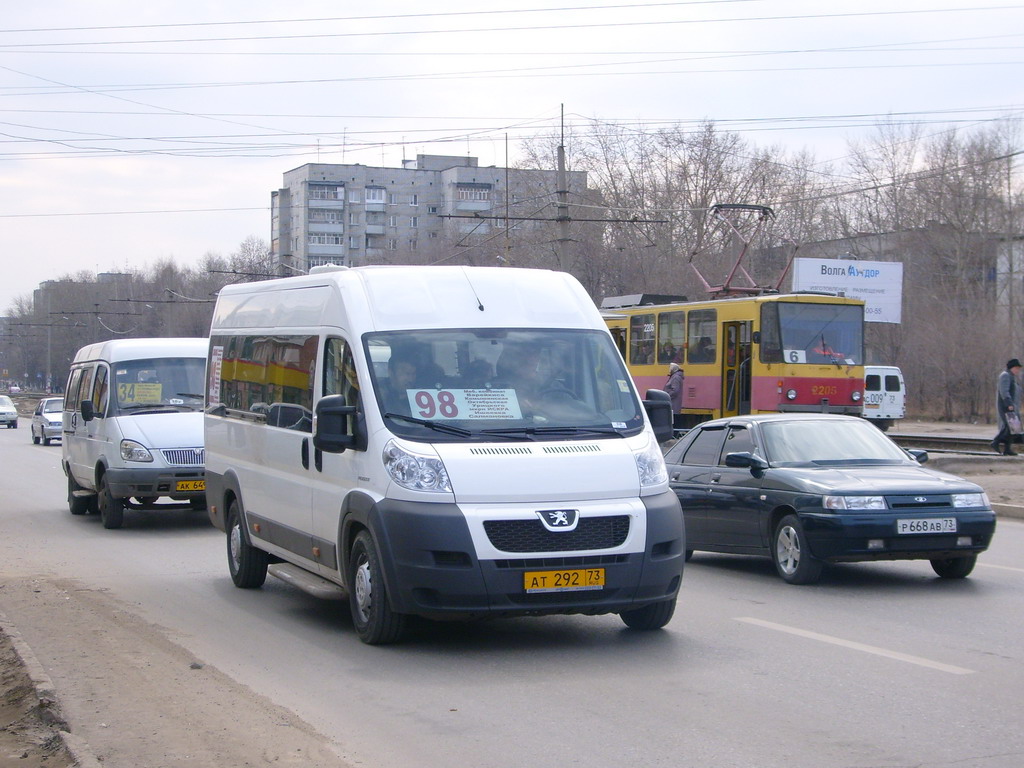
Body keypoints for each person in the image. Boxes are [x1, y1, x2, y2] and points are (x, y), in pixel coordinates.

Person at [992, 358, 1022, 455]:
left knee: (1013, 428)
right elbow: (1004, 392)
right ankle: (995, 442)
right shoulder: (1005, 376)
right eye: (1017, 368)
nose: (1018, 370)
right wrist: (1009, 404)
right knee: (1009, 427)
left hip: (1012, 406)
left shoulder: (1011, 377)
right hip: (1006, 406)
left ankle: (1007, 449)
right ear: (1011, 368)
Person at [664, 362, 685, 429]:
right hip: (673, 403)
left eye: (670, 368)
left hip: (673, 403)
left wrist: (667, 396)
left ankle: (675, 433)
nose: (669, 369)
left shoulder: (675, 378)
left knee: (674, 419)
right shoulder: (675, 377)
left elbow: (675, 390)